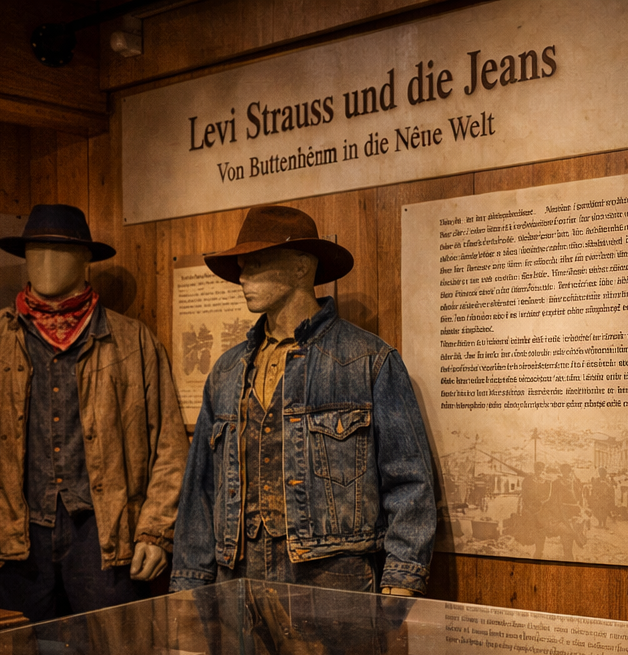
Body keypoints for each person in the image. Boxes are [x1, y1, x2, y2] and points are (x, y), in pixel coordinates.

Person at [0, 204, 187, 620]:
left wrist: (157, 530)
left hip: (105, 535)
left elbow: (169, 445)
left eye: (61, 250)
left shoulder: (133, 343)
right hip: (9, 535)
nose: (47, 261)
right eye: (36, 250)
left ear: (87, 259)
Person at [170, 205, 435, 596]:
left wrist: (402, 577)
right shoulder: (226, 373)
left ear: (299, 268)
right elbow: (201, 490)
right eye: (242, 265)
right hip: (237, 583)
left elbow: (409, 479)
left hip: (330, 581)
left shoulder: (366, 361)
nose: (243, 276)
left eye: (256, 263)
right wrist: (190, 582)